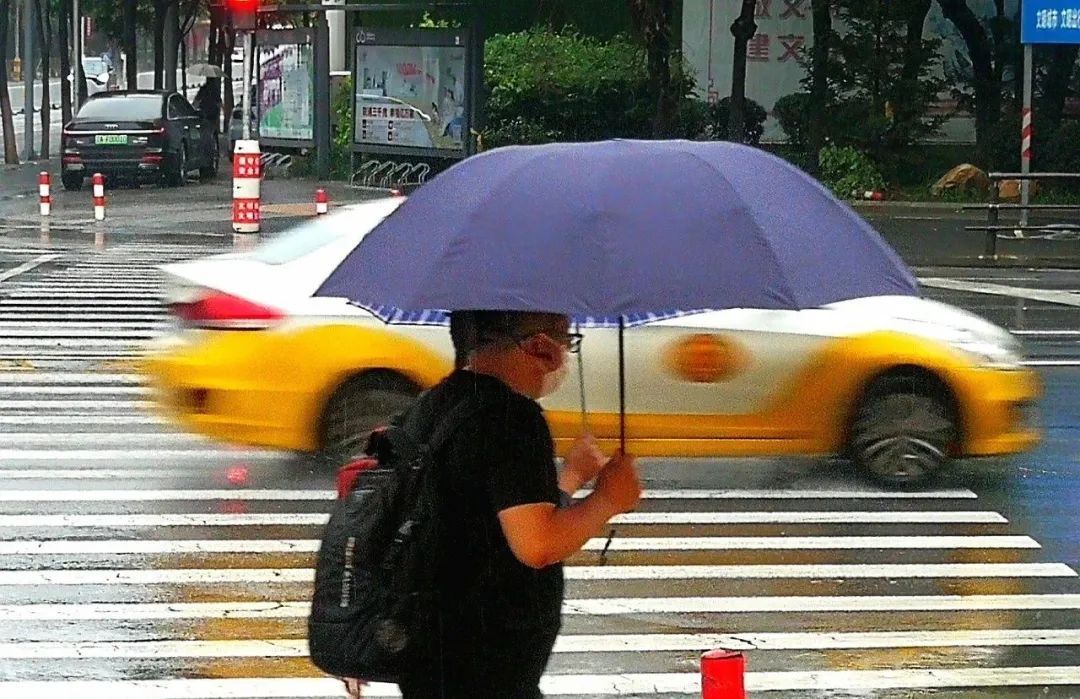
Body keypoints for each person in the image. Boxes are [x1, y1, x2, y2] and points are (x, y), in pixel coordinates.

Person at [356, 310, 641, 698]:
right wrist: (607, 500)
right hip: (484, 662)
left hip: (427, 650)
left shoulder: (433, 405)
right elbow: (537, 544)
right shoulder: (511, 418)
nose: (565, 356)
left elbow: (485, 519)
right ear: (541, 346)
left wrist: (570, 480)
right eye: (567, 341)